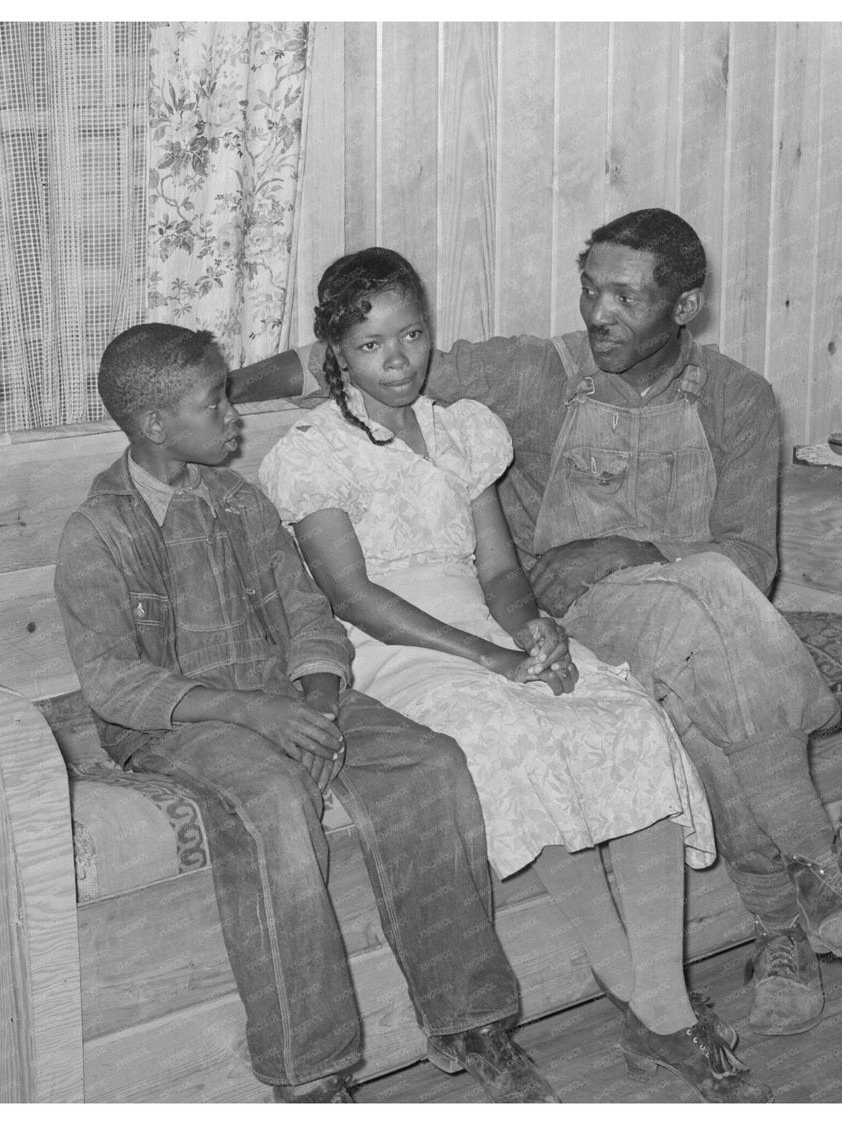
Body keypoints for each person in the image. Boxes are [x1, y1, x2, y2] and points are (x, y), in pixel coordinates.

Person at [232, 209, 842, 1039]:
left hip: (698, 610)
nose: (600, 313)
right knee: (707, 627)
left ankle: (782, 924)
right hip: (571, 614)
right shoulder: (538, 372)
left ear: (686, 305)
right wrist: (209, 391)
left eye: (626, 297)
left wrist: (625, 545)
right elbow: (354, 354)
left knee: (704, 675)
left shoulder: (739, 397)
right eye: (591, 289)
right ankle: (823, 872)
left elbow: (750, 561)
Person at [259, 247, 769, 1104]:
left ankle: (660, 1008)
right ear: (335, 355)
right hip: (389, 651)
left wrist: (536, 634)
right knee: (511, 735)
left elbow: (498, 573)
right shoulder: (312, 452)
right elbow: (353, 595)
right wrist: (492, 661)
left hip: (479, 623)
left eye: (414, 333)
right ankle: (658, 1012)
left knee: (621, 718)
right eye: (374, 343)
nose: (400, 358)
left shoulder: (463, 429)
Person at [54, 322, 559, 1104]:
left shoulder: (239, 500)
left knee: (431, 763)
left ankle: (472, 1020)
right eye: (214, 399)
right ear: (155, 425)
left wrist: (320, 695)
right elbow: (115, 684)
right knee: (275, 802)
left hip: (288, 694)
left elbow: (310, 616)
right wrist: (258, 716)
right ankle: (313, 1074)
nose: (234, 413)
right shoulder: (99, 530)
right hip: (181, 721)